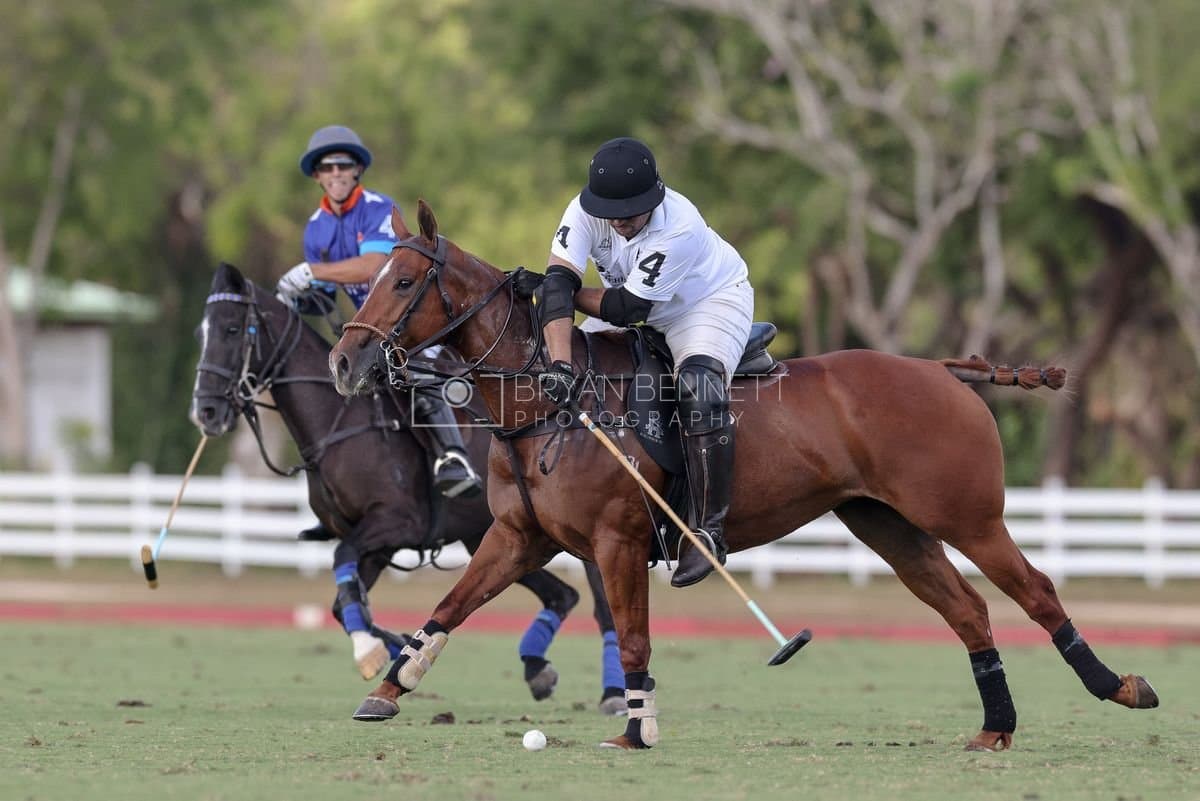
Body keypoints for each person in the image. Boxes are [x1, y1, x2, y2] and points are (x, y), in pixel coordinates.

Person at [537, 137, 754, 587]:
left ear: (653, 199)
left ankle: (707, 532)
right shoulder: (583, 212)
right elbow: (558, 283)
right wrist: (559, 366)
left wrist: (561, 292)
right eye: (610, 213)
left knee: (697, 387)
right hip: (630, 304)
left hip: (706, 303)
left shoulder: (682, 227)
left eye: (630, 213)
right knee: (556, 357)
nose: (618, 223)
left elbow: (627, 309)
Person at [276, 125, 482, 501]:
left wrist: (312, 271)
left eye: (344, 164)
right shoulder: (315, 229)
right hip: (374, 329)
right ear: (317, 176)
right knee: (339, 376)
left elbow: (375, 266)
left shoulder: (378, 208)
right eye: (328, 166)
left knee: (416, 366)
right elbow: (322, 294)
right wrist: (295, 296)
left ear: (357, 171)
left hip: (416, 318)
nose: (336, 172)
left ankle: (455, 456)